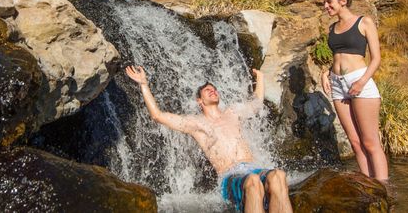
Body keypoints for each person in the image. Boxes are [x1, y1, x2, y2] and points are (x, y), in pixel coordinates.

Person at [125, 65, 293, 213]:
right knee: (253, 182)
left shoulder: (233, 113)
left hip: (253, 168)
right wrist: (144, 84)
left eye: (214, 89)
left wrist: (261, 78)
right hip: (230, 176)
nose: (213, 91)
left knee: (278, 175)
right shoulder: (196, 124)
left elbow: (256, 104)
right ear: (200, 101)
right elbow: (158, 116)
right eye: (207, 90)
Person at [320, 0, 389, 181]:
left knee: (370, 142)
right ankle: (369, 186)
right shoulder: (332, 28)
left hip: (359, 81)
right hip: (337, 84)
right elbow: (338, 57)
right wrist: (326, 73)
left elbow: (376, 58)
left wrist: (361, 82)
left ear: (343, 1)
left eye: (329, 2)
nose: (326, 6)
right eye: (324, 3)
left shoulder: (364, 22)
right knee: (355, 142)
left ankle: (384, 188)